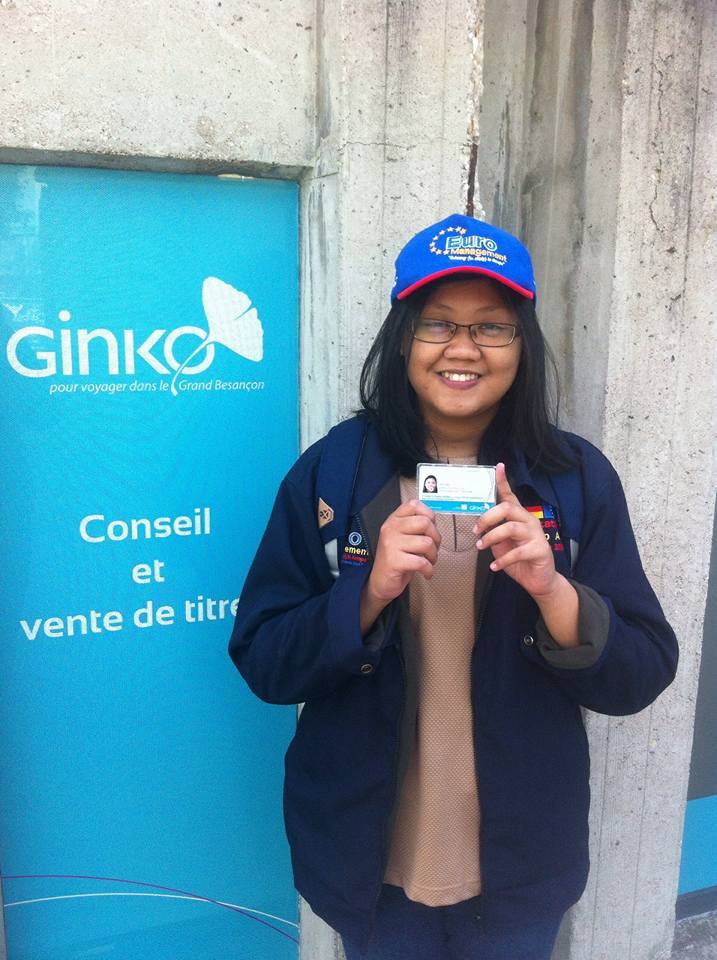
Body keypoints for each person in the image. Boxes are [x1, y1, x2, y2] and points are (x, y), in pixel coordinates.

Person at [228, 214, 678, 960]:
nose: (462, 348)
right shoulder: (333, 473)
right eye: (437, 323)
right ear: (403, 338)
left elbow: (641, 670)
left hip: (519, 868)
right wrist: (366, 594)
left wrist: (553, 591)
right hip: (369, 869)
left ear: (522, 344)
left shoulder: (573, 479)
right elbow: (264, 659)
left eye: (492, 327)